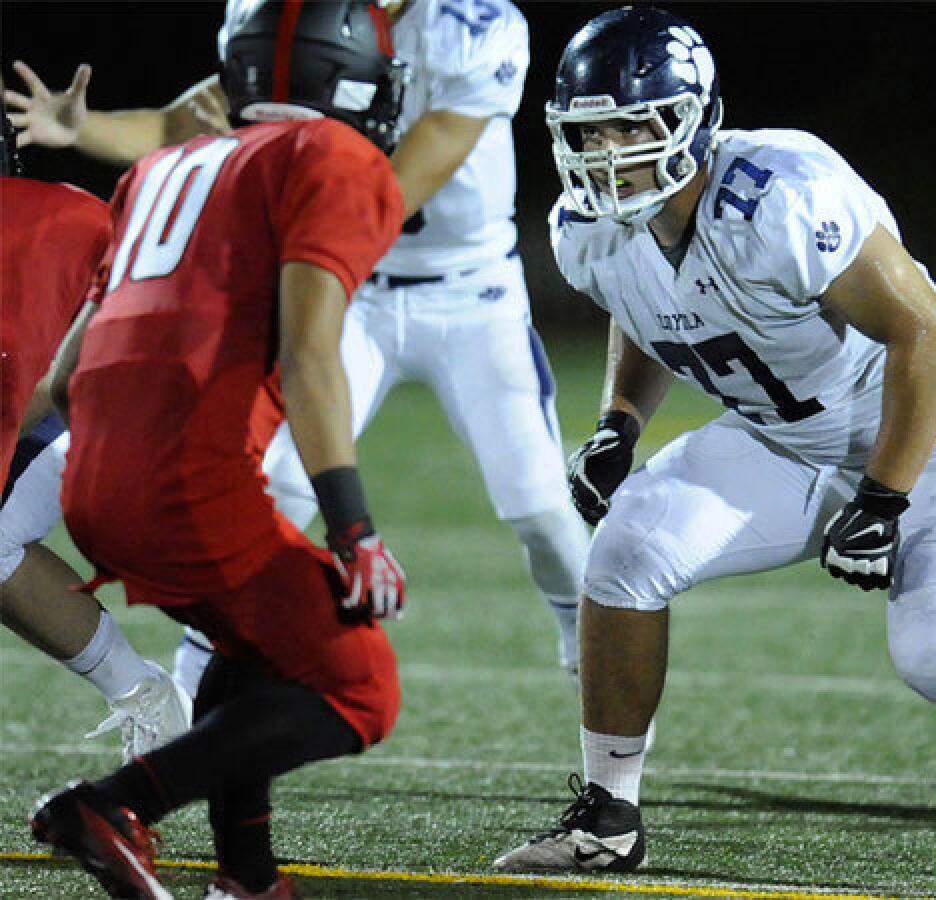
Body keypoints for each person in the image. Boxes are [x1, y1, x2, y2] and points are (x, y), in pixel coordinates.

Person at [491, 7, 936, 887]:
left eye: (633, 124)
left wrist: (885, 498)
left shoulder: (779, 194)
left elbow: (929, 338)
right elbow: (647, 307)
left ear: (694, 118)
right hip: (790, 438)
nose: (608, 150)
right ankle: (608, 818)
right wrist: (618, 423)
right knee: (625, 555)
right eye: (590, 129)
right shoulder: (586, 226)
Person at [6, 0, 590, 699]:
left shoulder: (472, 23)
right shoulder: (289, 15)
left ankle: (587, 634)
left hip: (468, 292)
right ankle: (191, 697)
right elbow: (190, 122)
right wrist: (83, 128)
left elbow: (399, 181)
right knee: (266, 489)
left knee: (540, 507)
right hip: (349, 290)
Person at [28, 4, 407, 897]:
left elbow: (62, 378)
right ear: (351, 77)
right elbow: (313, 354)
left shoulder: (161, 166)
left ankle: (247, 875)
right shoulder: (334, 156)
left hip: (91, 482)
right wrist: (354, 528)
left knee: (259, 640)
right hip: (186, 489)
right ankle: (113, 802)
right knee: (362, 686)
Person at [0, 94, 189, 762]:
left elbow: (29, 385)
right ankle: (145, 693)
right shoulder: (47, 213)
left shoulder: (27, 235)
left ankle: (204, 707)